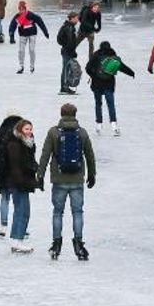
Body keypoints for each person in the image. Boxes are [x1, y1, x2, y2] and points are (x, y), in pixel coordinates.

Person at [36, 103, 95, 261]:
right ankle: (79, 244)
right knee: (77, 212)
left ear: (61, 114)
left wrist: (40, 175)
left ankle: (56, 244)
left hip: (59, 179)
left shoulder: (53, 132)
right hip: (77, 179)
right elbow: (90, 154)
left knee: (57, 212)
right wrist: (92, 174)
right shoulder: (81, 132)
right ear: (75, 114)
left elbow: (45, 154)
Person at [0, 118, 39, 254]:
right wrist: (22, 181)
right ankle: (17, 240)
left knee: (24, 211)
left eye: (30, 129)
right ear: (20, 130)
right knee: (21, 211)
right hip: (18, 183)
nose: (29, 132)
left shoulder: (27, 143)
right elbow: (15, 166)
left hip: (23, 182)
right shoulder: (15, 144)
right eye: (26, 129)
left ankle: (18, 239)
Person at [85, 41, 136, 135]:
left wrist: (93, 75)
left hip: (97, 84)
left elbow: (87, 68)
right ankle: (114, 126)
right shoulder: (113, 56)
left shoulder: (96, 56)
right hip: (109, 84)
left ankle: (99, 125)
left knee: (98, 104)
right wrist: (131, 73)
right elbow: (122, 67)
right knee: (111, 104)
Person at [0, 114, 24, 239]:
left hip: (3, 170)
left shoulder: (0, 131)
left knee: (4, 198)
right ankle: (19, 226)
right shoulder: (21, 132)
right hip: (17, 171)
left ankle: (3, 226)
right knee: (18, 200)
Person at [8, 2, 49, 74]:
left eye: (22, 9)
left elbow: (40, 22)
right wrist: (11, 36)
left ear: (25, 9)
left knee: (32, 50)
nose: (21, 11)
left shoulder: (31, 15)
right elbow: (12, 26)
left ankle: (32, 66)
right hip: (22, 35)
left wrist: (45, 32)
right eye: (20, 9)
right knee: (21, 50)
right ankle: (21, 66)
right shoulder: (17, 16)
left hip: (32, 34)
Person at [55, 12, 82, 94]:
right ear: (72, 18)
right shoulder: (69, 28)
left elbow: (60, 40)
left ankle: (65, 87)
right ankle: (64, 88)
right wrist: (72, 51)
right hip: (67, 52)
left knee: (67, 69)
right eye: (77, 18)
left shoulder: (67, 26)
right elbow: (70, 41)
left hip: (66, 50)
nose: (78, 20)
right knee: (66, 69)